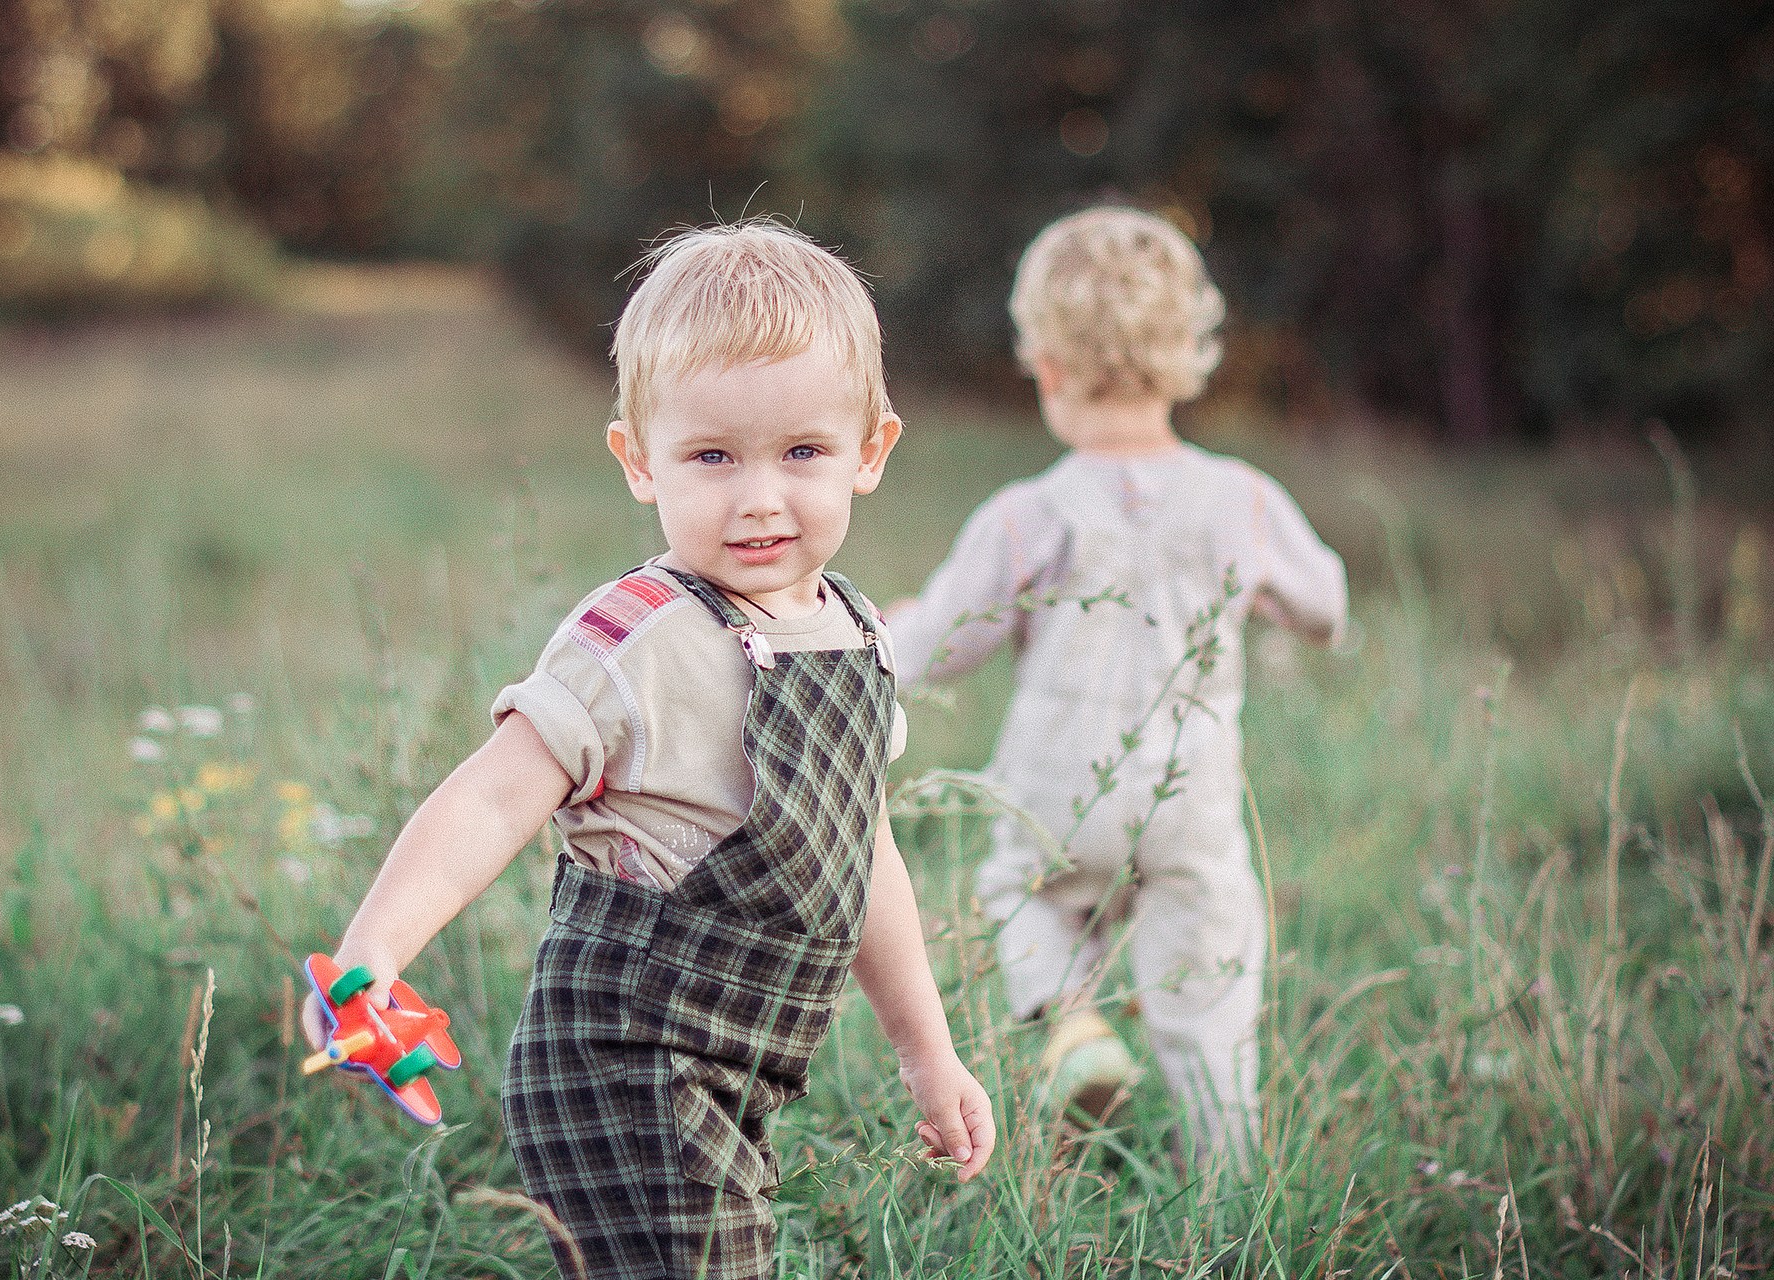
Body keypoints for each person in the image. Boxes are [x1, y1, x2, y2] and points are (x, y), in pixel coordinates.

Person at [304, 219, 993, 1280]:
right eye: (712, 455)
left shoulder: (856, 633)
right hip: (624, 1058)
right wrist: (373, 950)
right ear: (639, 459)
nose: (759, 494)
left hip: (744, 1069)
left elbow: (862, 852)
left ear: (870, 451)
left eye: (802, 450)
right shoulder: (636, 633)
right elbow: (493, 796)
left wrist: (927, 1049)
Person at [887, 205, 1346, 1169]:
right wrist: (1262, 594)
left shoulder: (1032, 513)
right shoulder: (1241, 499)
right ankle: (1226, 1183)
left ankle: (1074, 1030)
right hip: (1190, 799)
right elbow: (1327, 603)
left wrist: (882, 629)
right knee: (1209, 979)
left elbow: (934, 646)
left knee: (1017, 888)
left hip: (1062, 796)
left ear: (1047, 365)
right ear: (1190, 355)